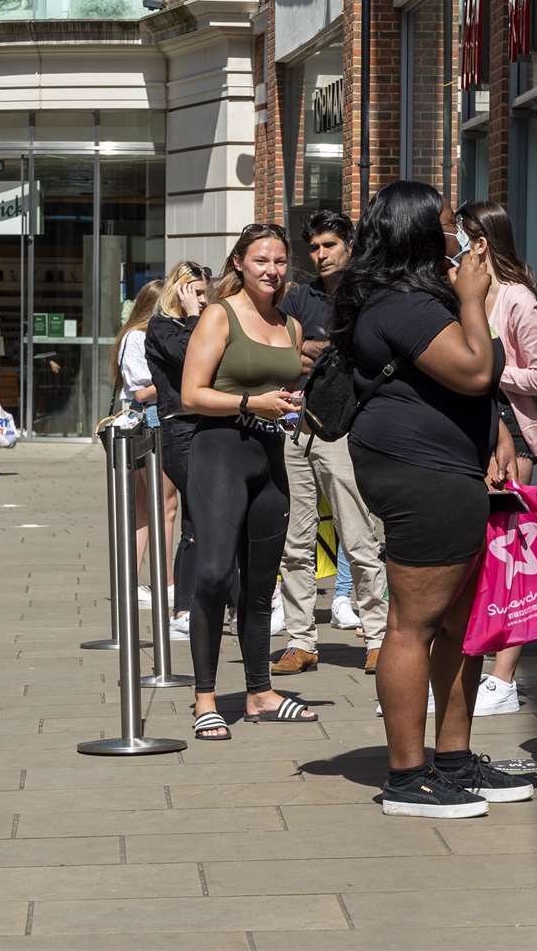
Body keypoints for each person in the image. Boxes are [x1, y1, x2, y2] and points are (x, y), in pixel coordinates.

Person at [330, 180, 529, 819]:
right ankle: (407, 776)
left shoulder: (414, 298)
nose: (462, 235)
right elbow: (474, 369)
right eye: (448, 223)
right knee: (412, 626)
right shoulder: (402, 304)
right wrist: (473, 297)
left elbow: (468, 389)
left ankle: (452, 759)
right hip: (420, 472)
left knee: (459, 625)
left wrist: (496, 428)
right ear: (420, 233)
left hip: (448, 468)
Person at [180, 224, 317, 740]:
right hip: (219, 451)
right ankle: (206, 698)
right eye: (261, 260)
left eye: (280, 261)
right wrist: (247, 403)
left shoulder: (292, 326)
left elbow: (287, 391)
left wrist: (292, 408)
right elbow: (191, 395)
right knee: (215, 575)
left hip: (270, 455)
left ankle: (260, 693)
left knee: (262, 584)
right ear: (239, 263)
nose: (272, 270)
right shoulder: (220, 315)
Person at [271, 210, 390, 677]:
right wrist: (325, 351)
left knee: (359, 536)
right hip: (296, 424)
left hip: (344, 427)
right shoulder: (300, 296)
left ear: (350, 246)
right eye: (315, 248)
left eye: (329, 246)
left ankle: (377, 635)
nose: (320, 256)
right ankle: (301, 640)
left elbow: (364, 354)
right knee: (295, 541)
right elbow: (284, 351)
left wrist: (316, 351)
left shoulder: (367, 294)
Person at [454, 200, 537, 716]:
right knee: (477, 557)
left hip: (513, 435)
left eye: (457, 235)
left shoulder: (519, 299)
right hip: (468, 431)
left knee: (512, 557)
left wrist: (485, 371)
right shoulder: (462, 292)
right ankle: (470, 668)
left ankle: (505, 676)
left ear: (479, 242)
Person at [146, 261, 210, 638]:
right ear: (179, 292)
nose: (203, 301)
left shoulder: (197, 322)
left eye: (205, 294)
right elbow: (189, 357)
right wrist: (192, 316)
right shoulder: (162, 327)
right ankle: (184, 607)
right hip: (179, 427)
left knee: (200, 517)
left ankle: (199, 604)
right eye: (195, 293)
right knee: (201, 514)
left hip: (206, 424)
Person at [112, 279, 178, 606]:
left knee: (145, 509)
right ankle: (165, 584)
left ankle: (131, 581)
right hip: (149, 422)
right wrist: (175, 379)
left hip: (146, 423)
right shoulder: (138, 338)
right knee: (163, 507)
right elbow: (140, 392)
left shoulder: (136, 337)